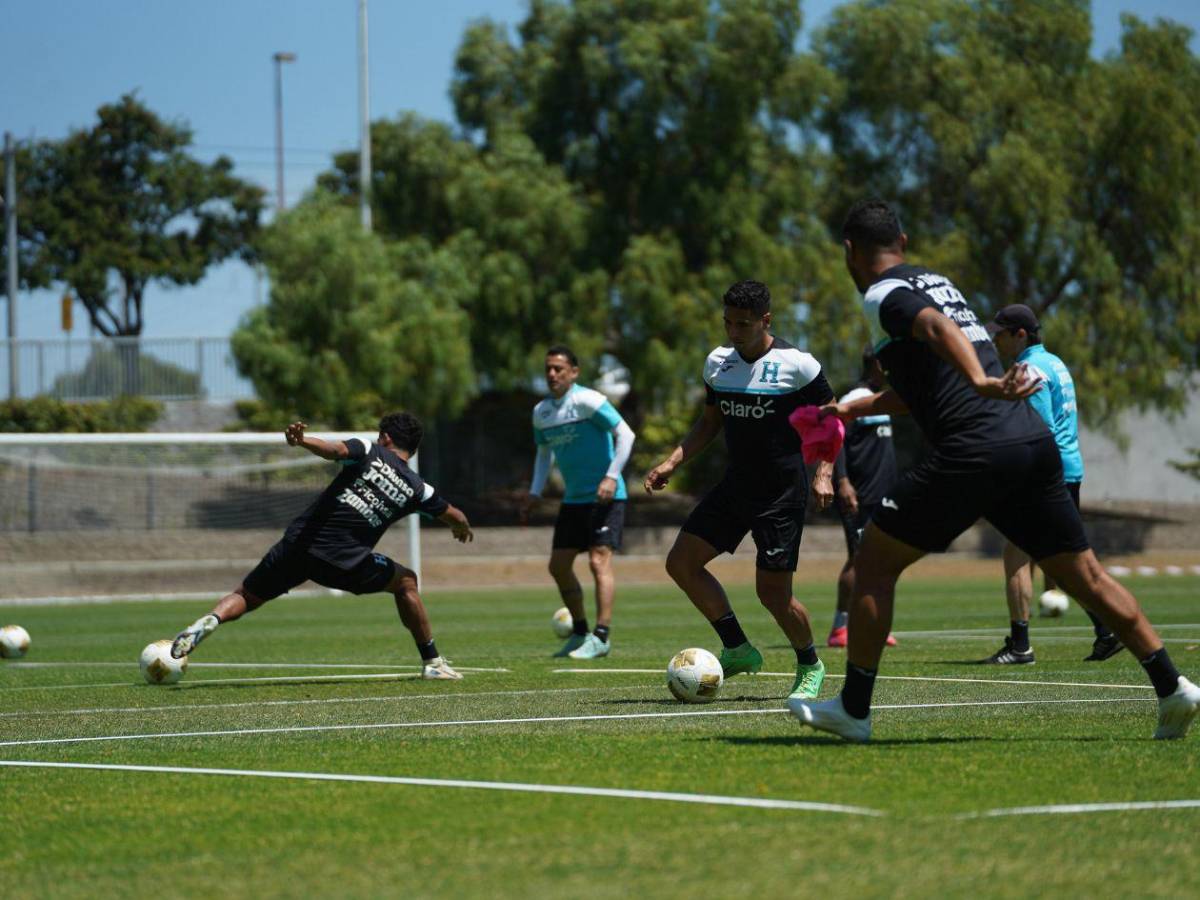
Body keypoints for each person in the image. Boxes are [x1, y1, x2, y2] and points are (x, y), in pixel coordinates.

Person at [789, 199, 1199, 742]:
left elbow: (936, 330)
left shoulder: (881, 294)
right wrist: (852, 409)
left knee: (872, 565)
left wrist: (982, 383)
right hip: (1027, 440)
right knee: (1086, 575)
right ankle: (1173, 687)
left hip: (975, 448)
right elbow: (922, 390)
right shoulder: (939, 283)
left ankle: (854, 708)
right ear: (903, 243)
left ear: (849, 251)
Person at [644, 280, 836, 700]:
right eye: (728, 322)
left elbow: (831, 421)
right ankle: (737, 648)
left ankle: (810, 665)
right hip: (736, 485)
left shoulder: (797, 365)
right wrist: (672, 461)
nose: (734, 332)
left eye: (743, 324)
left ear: (766, 320)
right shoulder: (718, 363)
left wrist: (824, 472)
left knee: (773, 594)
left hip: (781, 492)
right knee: (682, 563)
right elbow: (709, 422)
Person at [170, 414, 473, 679]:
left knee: (246, 596)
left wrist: (302, 440)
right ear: (413, 449)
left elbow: (334, 450)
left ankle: (212, 618)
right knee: (406, 581)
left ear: (385, 437)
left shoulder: (368, 450)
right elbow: (454, 514)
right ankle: (433, 663)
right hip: (343, 563)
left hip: (298, 545)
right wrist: (460, 528)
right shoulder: (419, 489)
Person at [983, 303, 1121, 665]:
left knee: (1017, 553)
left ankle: (1020, 646)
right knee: (1066, 562)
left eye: (1001, 334)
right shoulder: (1055, 363)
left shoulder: (1030, 370)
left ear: (1020, 335)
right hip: (1068, 468)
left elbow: (1037, 428)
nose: (996, 341)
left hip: (1044, 474)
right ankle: (1107, 629)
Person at [520, 345, 635, 659]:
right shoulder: (541, 412)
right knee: (558, 566)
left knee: (598, 562)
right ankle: (580, 632)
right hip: (573, 501)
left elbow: (626, 435)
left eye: (558, 368)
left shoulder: (588, 401)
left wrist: (611, 477)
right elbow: (544, 453)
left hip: (606, 497)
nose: (552, 374)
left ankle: (601, 636)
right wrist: (535, 492)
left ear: (574, 372)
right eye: (548, 369)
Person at [828, 347, 898, 649]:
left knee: (881, 560)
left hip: (884, 495)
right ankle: (840, 627)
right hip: (859, 495)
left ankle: (873, 624)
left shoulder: (881, 399)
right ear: (877, 364)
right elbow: (835, 441)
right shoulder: (854, 398)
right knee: (858, 559)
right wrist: (842, 481)